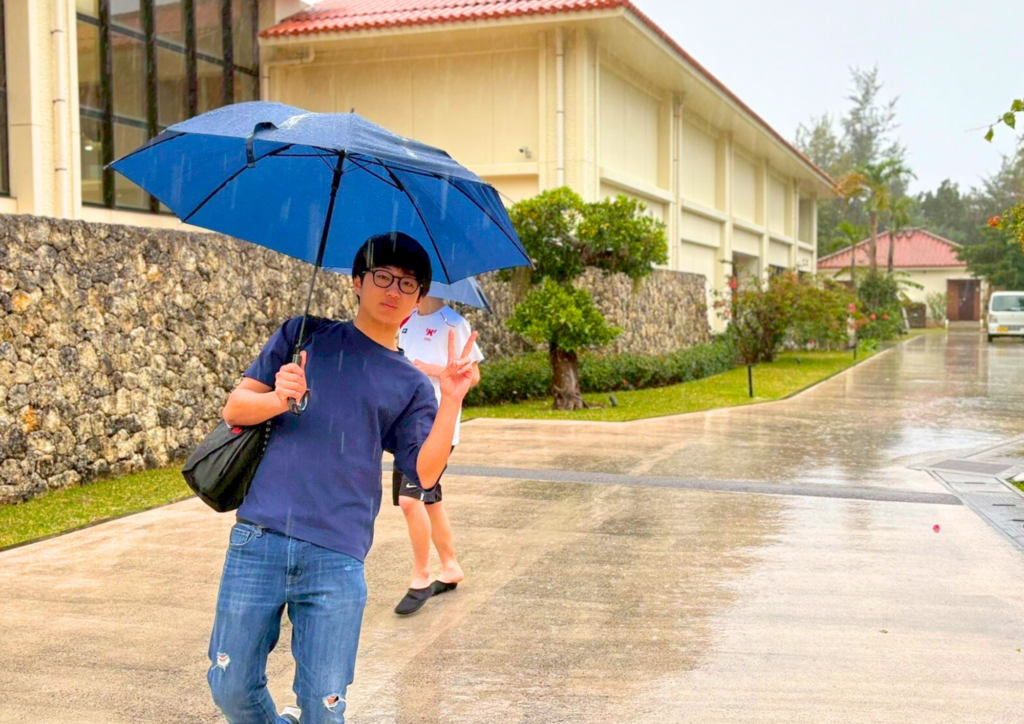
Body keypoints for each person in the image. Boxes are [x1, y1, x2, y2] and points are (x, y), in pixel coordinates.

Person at [206, 232, 477, 724]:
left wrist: (451, 399)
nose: (393, 290)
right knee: (231, 686)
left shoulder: (411, 384)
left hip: (337, 552)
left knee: (324, 708)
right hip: (260, 534)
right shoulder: (303, 336)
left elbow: (424, 472)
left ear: (419, 298)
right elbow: (235, 409)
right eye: (382, 276)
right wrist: (279, 398)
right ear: (356, 281)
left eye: (408, 283)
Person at [392, 296, 484, 615]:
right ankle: (451, 567)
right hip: (407, 427)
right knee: (430, 501)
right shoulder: (404, 320)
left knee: (410, 501)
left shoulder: (454, 323)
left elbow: (473, 376)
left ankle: (421, 576)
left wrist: (431, 370)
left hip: (438, 428)